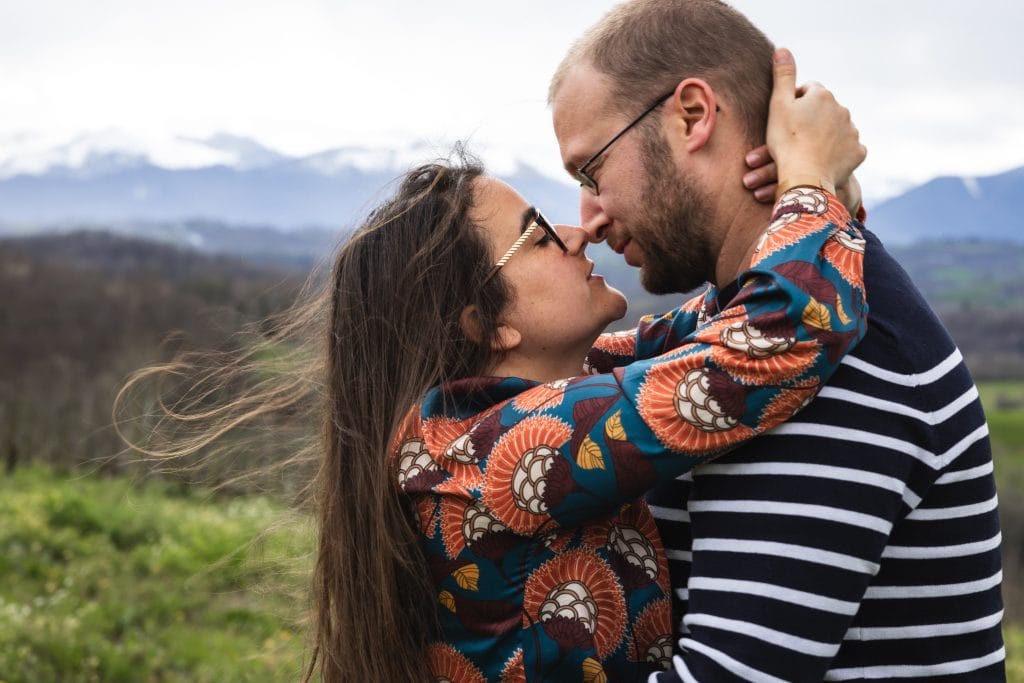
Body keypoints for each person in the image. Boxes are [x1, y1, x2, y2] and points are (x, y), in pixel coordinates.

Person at [295, 53, 868, 680]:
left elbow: (715, 322)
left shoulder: (521, 403)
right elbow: (781, 330)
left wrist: (813, 207)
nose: (577, 234)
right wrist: (810, 181)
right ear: (486, 325)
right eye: (539, 236)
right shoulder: (503, 450)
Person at [549, 1, 1005, 681]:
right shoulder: (746, 326)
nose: (587, 216)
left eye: (592, 171)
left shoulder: (830, 350)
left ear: (693, 116)